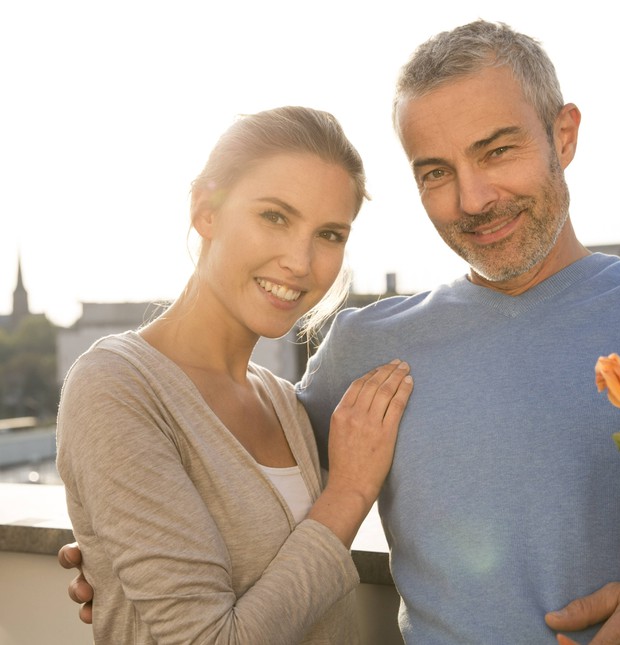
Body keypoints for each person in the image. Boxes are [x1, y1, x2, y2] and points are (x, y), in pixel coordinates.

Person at [293, 20, 620, 644]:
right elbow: (235, 490)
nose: (473, 200)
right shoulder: (364, 347)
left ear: (563, 135)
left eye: (497, 151)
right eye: (435, 173)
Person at [55, 105, 413, 644]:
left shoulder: (282, 402)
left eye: (330, 234)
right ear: (206, 210)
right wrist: (349, 492)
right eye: (275, 216)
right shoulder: (115, 387)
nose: (300, 260)